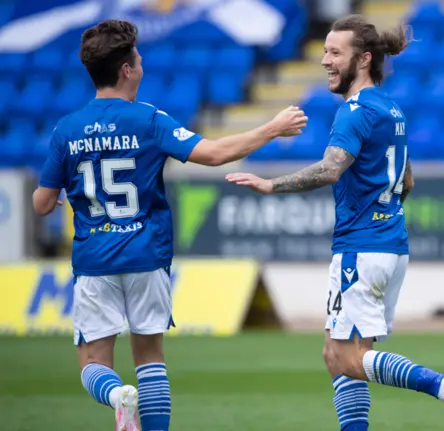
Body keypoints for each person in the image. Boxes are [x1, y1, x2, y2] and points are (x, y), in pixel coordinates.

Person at [32, 19, 307, 431]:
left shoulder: (66, 130)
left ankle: (116, 396)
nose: (141, 66)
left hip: (94, 259)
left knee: (92, 363)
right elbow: (213, 154)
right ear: (126, 69)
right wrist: (272, 128)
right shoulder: (148, 120)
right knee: (150, 356)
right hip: (146, 253)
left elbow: (41, 204)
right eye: (138, 60)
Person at [226, 14, 444, 431]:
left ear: (362, 60)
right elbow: (408, 180)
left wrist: (271, 186)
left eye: (334, 52)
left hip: (362, 249)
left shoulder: (355, 111)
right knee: (338, 356)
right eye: (324, 50)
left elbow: (330, 170)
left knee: (346, 357)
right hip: (389, 244)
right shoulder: (391, 108)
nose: (325, 60)